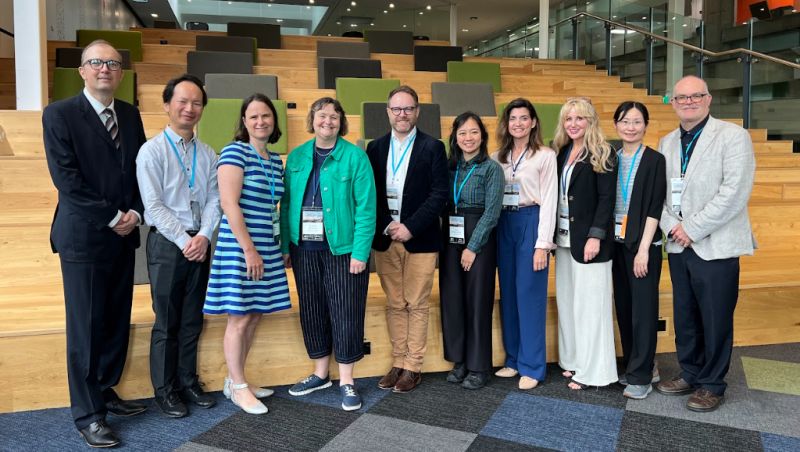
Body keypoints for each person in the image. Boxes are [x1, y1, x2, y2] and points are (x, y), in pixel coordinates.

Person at [42, 39, 147, 448]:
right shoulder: (60, 114)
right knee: (85, 325)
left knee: (115, 319)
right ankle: (88, 414)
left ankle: (105, 389)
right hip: (84, 237)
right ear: (82, 71)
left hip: (124, 235)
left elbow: (142, 170)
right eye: (96, 62)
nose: (105, 69)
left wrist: (136, 214)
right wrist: (111, 216)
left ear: (121, 74)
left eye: (113, 64)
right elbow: (66, 179)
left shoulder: (130, 114)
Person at [655, 76, 756, 412]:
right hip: (679, 244)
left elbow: (734, 193)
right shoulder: (667, 142)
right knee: (685, 315)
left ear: (708, 99)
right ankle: (691, 372)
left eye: (695, 96)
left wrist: (692, 228)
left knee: (715, 318)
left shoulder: (732, 136)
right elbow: (660, 196)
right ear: (672, 103)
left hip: (715, 244)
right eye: (681, 97)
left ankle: (712, 383)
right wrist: (673, 227)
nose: (688, 102)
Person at [282, 97, 377, 411]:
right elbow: (285, 209)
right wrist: (285, 247)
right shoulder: (296, 158)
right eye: (322, 115)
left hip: (344, 249)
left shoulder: (355, 158)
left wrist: (361, 252)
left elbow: (366, 209)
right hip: (303, 248)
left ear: (341, 122)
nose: (328, 121)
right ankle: (320, 373)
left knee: (346, 312)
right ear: (312, 119)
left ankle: (347, 380)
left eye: (334, 116)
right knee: (311, 310)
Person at [136, 74, 220, 417]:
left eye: (196, 102)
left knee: (191, 320)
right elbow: (152, 206)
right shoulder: (151, 151)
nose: (189, 108)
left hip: (200, 243)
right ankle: (165, 390)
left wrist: (203, 236)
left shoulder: (209, 152)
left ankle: (187, 381)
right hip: (168, 245)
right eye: (182, 101)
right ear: (167, 105)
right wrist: (187, 240)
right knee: (167, 321)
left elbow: (216, 199)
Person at [203, 93, 291, 415]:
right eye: (253, 116)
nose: (260, 121)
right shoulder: (234, 151)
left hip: (266, 245)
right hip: (241, 246)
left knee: (254, 314)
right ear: (244, 122)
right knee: (239, 317)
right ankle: (239, 388)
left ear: (274, 121)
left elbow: (274, 208)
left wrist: (276, 249)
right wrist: (250, 249)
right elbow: (229, 203)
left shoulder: (273, 160)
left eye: (266, 116)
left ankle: (236, 379)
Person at [366, 86, 448, 393]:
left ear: (417, 112)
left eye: (408, 108)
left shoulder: (433, 147)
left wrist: (410, 226)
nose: (403, 114)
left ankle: (413, 366)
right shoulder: (374, 148)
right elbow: (368, 194)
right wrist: (388, 225)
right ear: (387, 112)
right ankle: (398, 362)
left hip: (420, 238)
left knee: (417, 303)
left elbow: (439, 193)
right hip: (387, 238)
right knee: (395, 303)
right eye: (397, 109)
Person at [491, 99, 558, 390]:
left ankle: (533, 365)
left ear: (533, 122)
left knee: (529, 294)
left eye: (523, 118)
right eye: (512, 118)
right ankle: (514, 359)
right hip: (503, 223)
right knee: (508, 293)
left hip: (531, 221)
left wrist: (542, 244)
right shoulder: (497, 156)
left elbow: (551, 201)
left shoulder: (545, 156)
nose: (517, 123)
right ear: (506, 124)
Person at [553, 97, 618, 390]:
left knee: (592, 308)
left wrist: (595, 235)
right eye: (568, 119)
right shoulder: (562, 152)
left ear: (590, 121)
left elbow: (607, 200)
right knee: (569, 303)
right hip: (565, 240)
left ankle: (595, 372)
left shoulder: (602, 152)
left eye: (579, 118)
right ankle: (574, 360)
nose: (573, 124)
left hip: (591, 242)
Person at [440, 112, 504, 390]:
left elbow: (492, 212)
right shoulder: (449, 168)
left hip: (479, 238)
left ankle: (479, 366)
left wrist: (472, 247)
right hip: (450, 236)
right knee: (453, 300)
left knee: (478, 301)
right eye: (462, 133)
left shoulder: (492, 169)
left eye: (474, 132)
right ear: (455, 137)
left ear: (483, 135)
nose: (468, 138)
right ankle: (460, 360)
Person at [609, 101, 666, 399]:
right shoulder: (612, 158)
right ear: (616, 125)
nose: (630, 127)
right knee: (625, 308)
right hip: (616, 244)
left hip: (643, 245)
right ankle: (637, 364)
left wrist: (644, 249)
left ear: (645, 125)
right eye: (625, 121)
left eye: (636, 122)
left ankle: (641, 376)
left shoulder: (655, 160)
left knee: (644, 311)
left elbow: (655, 208)